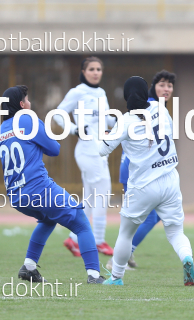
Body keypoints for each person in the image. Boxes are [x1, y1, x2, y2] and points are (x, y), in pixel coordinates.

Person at [0, 85, 105, 284]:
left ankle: (29, 268)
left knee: (48, 220)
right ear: (21, 104)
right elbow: (54, 149)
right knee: (81, 222)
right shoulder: (27, 119)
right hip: (38, 188)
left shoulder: (0, 130)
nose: (29, 103)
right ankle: (94, 276)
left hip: (16, 195)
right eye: (27, 99)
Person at [97, 76, 194, 286]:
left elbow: (102, 150)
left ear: (126, 96)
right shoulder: (161, 109)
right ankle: (187, 258)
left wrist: (104, 134)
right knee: (176, 232)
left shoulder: (125, 120)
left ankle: (116, 277)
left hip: (143, 185)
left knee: (125, 234)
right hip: (170, 179)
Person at [107, 70, 176, 270]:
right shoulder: (150, 105)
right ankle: (118, 257)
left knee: (154, 216)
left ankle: (124, 253)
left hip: (146, 171)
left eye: (169, 86)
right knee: (149, 217)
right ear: (152, 87)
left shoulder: (156, 107)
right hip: (137, 170)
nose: (166, 89)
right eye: (162, 85)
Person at [54, 57, 116, 257]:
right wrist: (74, 129)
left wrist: (124, 123)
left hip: (100, 151)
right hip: (87, 151)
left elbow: (107, 119)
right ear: (83, 72)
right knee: (103, 193)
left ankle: (73, 239)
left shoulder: (101, 93)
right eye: (91, 69)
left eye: (99, 69)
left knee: (90, 199)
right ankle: (98, 240)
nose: (96, 72)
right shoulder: (78, 92)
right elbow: (58, 114)